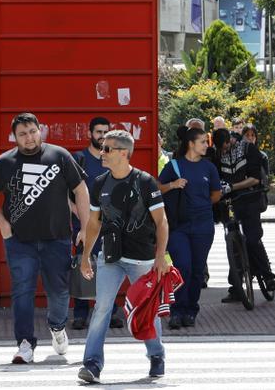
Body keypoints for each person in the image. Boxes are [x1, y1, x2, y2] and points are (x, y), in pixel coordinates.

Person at [0, 112, 90, 364]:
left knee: (60, 292)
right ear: (14, 137)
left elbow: (80, 189)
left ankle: (57, 326)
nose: (28, 138)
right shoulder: (5, 162)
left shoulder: (59, 155)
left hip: (57, 238)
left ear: (40, 130)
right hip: (20, 242)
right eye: (22, 134)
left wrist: (85, 226)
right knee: (22, 292)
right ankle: (25, 343)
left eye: (32, 131)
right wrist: (4, 226)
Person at [77, 129, 170, 383]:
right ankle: (92, 365)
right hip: (110, 257)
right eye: (101, 147)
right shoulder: (98, 183)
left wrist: (160, 257)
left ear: (124, 153)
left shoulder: (145, 182)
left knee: (146, 311)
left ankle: (156, 355)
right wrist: (87, 256)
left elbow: (161, 222)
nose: (101, 152)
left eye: (107, 149)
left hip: (141, 259)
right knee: (102, 308)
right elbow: (94, 223)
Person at [158, 126, 222, 328]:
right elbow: (157, 187)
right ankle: (176, 310)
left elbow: (216, 194)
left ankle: (191, 310)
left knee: (196, 270)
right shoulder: (174, 166)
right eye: (203, 141)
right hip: (179, 227)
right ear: (191, 144)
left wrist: (200, 206)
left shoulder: (209, 167)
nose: (206, 145)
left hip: (203, 226)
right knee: (182, 266)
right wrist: (173, 185)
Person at [213, 128, 275, 304]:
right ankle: (236, 287)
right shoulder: (218, 153)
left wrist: (232, 187)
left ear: (230, 141)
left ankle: (268, 276)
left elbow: (255, 178)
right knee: (233, 244)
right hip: (230, 202)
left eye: (225, 147)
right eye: (220, 149)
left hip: (250, 199)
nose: (223, 152)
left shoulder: (248, 149)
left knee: (252, 238)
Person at [71, 117, 125, 331]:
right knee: (83, 267)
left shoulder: (113, 159)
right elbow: (66, 193)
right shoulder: (79, 159)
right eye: (98, 132)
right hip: (84, 225)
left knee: (109, 268)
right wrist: (79, 214)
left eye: (106, 132)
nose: (102, 136)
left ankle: (109, 313)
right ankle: (80, 314)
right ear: (90, 134)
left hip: (110, 224)